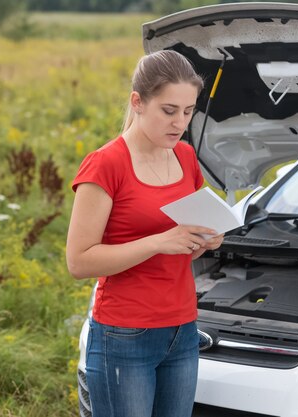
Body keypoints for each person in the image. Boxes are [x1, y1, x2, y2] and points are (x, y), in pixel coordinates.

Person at [66, 50, 224, 417]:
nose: (179, 123)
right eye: (168, 111)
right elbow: (79, 261)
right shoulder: (106, 164)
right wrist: (157, 242)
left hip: (183, 329)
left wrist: (204, 240)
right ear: (138, 102)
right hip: (124, 335)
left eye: (188, 111)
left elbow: (183, 249)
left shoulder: (185, 157)